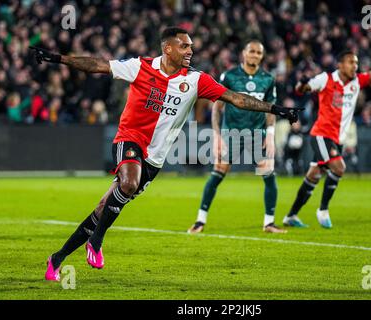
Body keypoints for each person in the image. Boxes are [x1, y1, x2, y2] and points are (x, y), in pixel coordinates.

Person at [30, 27, 302, 281]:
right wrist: (57, 58)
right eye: (184, 46)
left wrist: (278, 110)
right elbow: (98, 65)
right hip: (130, 139)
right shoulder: (141, 67)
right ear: (168, 49)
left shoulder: (195, 80)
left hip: (155, 158)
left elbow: (237, 98)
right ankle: (97, 242)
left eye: (191, 47)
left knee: (104, 207)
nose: (190, 51)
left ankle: (57, 258)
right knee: (128, 182)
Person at [282, 44, 371, 229]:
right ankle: (323, 210)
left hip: (338, 139)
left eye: (356, 63)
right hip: (321, 134)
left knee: (313, 175)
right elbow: (300, 88)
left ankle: (291, 216)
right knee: (339, 167)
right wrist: (303, 83)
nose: (355, 66)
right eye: (351, 62)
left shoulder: (357, 82)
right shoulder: (325, 79)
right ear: (340, 65)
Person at [187, 40, 286, 234]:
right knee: (217, 174)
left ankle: (269, 223)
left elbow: (271, 109)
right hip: (231, 132)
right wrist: (216, 135)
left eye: (259, 52)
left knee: (268, 175)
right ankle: (200, 220)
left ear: (262, 56)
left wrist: (271, 133)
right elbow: (217, 106)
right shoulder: (230, 76)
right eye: (252, 51)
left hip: (257, 133)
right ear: (244, 53)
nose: (255, 55)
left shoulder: (268, 79)